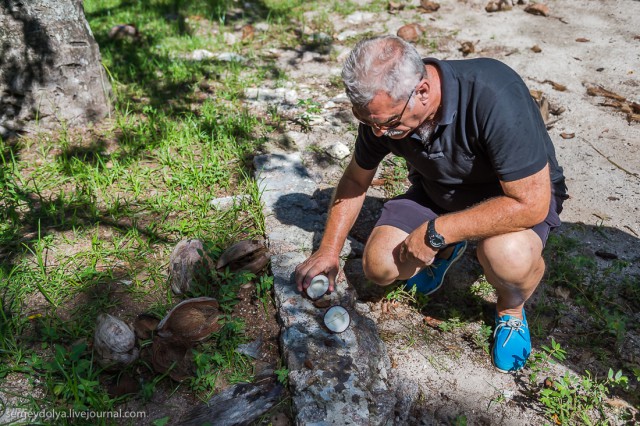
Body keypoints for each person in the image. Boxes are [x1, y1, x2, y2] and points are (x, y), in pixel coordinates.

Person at [294, 35, 567, 372]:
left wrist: (439, 231)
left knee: (507, 258)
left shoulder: (494, 93)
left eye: (390, 124)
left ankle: (510, 308)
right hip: (438, 194)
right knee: (379, 267)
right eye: (369, 123)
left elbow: (531, 204)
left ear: (422, 91)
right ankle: (447, 249)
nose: (379, 134)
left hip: (512, 199)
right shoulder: (383, 113)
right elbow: (355, 179)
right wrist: (329, 251)